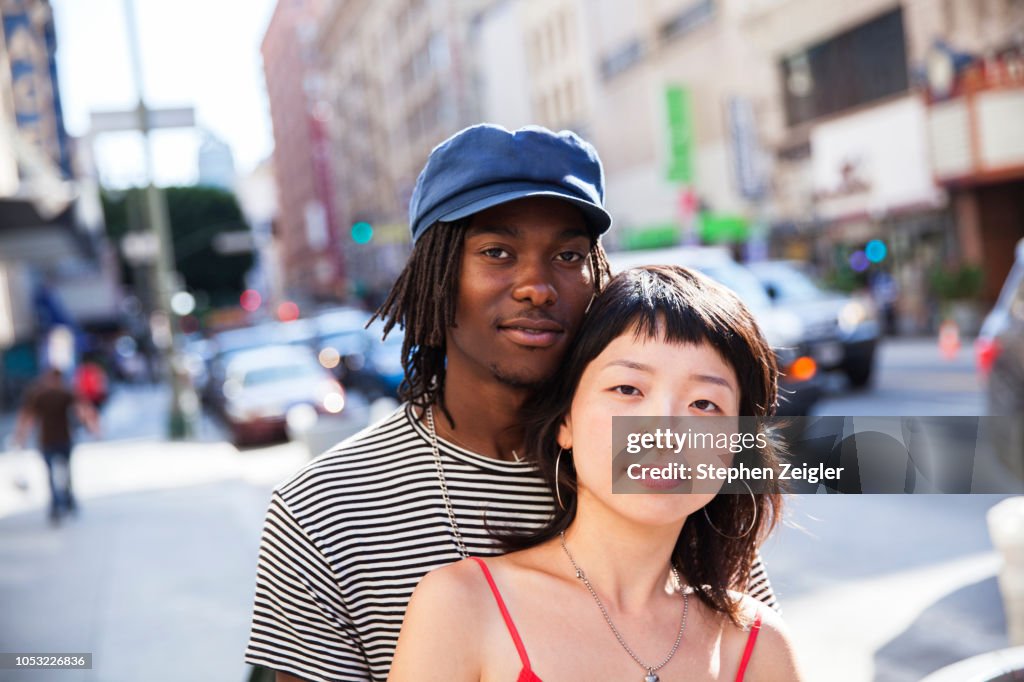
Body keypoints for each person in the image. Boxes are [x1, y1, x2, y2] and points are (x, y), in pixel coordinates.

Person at [244, 124, 778, 682]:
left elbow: (740, 638)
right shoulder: (323, 508)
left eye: (569, 255)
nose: (536, 286)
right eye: (497, 252)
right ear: (437, 274)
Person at [390, 266, 802, 681]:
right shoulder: (464, 605)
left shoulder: (758, 644)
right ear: (564, 421)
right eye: (628, 389)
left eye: (704, 405)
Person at [13, 367, 100, 523]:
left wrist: (21, 437)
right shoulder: (60, 394)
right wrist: (92, 429)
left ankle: (60, 502)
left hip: (52, 440)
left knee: (57, 473)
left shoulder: (45, 395)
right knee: (62, 472)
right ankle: (64, 501)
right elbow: (83, 410)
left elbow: (27, 417)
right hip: (59, 440)